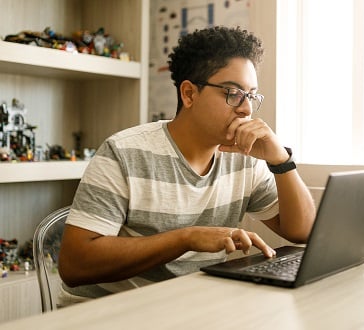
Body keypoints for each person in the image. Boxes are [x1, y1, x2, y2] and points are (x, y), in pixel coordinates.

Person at [58, 26, 316, 305]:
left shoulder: (244, 158)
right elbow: (74, 266)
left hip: (189, 307)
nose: (246, 109)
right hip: (111, 313)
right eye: (233, 93)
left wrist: (281, 161)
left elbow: (301, 231)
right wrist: (187, 238)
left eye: (251, 95)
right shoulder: (124, 152)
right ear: (189, 94)